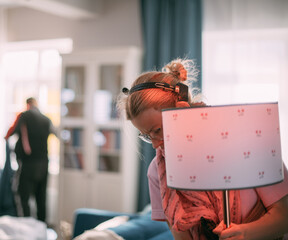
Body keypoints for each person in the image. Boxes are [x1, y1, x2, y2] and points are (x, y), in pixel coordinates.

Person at [118, 58, 288, 240]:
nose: (154, 144)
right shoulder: (158, 172)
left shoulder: (251, 144)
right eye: (146, 135)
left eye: (157, 130)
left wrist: (245, 234)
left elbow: (284, 215)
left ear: (182, 108)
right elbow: (181, 236)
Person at [5, 97, 57, 224]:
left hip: (28, 163)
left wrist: (6, 137)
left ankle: (26, 227)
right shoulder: (46, 119)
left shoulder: (24, 116)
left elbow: (11, 132)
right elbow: (57, 134)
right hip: (44, 163)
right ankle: (41, 227)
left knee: (23, 197)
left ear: (28, 105)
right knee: (41, 198)